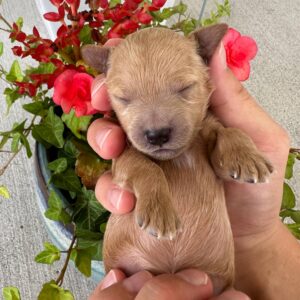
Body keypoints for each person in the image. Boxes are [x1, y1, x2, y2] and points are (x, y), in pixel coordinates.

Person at [86, 39, 300, 300]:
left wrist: (236, 144)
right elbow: (126, 169)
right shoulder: (129, 144)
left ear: (208, 74)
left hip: (210, 279)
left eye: (184, 89)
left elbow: (223, 157)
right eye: (124, 98)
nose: (156, 127)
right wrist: (150, 185)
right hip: (134, 270)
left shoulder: (209, 132)